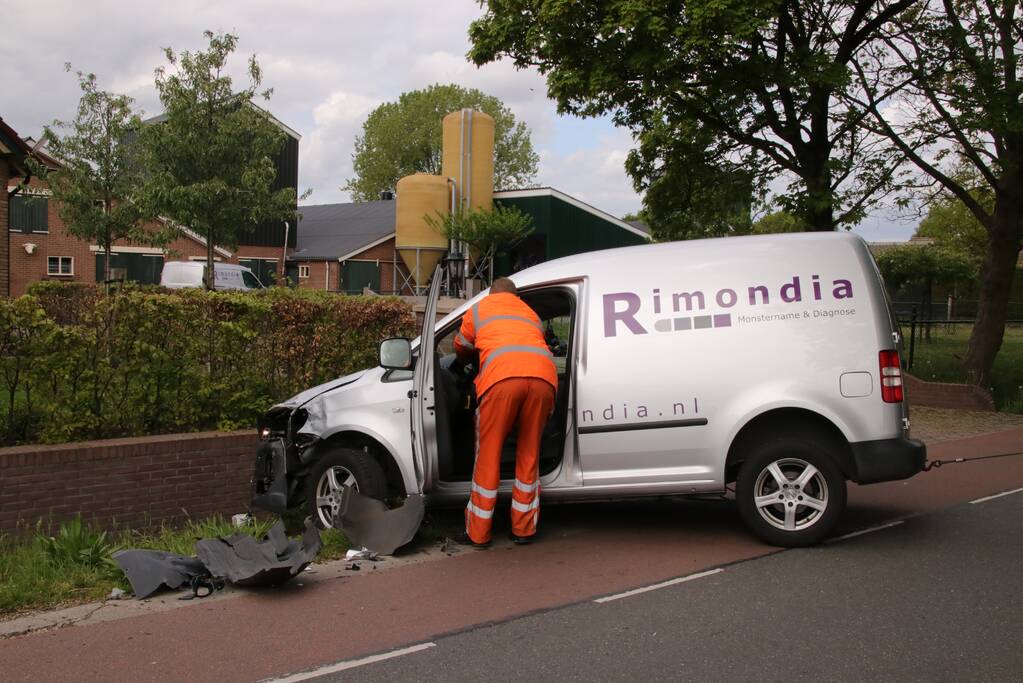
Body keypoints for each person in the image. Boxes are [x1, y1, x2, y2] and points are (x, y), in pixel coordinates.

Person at [454, 277, 557, 547]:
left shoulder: (479, 308)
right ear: (516, 295)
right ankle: (523, 529)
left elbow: (461, 346)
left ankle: (478, 533)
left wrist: (470, 358)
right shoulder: (530, 313)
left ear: (491, 293)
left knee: (489, 454)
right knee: (529, 452)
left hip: (501, 379)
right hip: (544, 379)